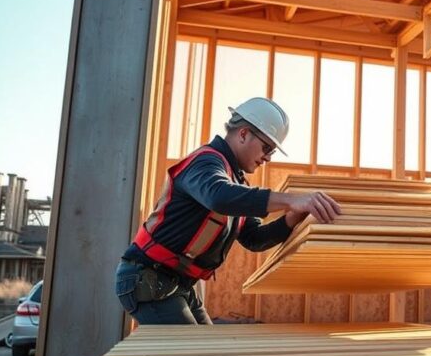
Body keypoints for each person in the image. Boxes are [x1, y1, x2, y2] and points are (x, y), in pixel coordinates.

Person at [114, 97, 342, 325]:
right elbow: (218, 196)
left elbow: (255, 239)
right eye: (267, 148)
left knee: (206, 351)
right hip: (148, 277)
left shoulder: (236, 185)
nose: (268, 158)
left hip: (178, 284)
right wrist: (292, 200)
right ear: (243, 134)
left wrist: (292, 219)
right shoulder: (206, 162)